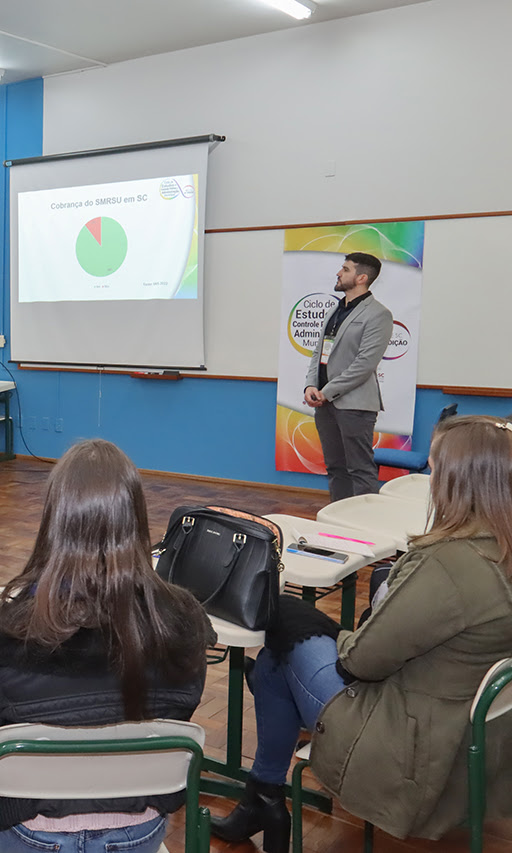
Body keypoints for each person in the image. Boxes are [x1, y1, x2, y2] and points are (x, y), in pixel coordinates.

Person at [212, 415, 512, 852]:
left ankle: (264, 796)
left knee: (283, 627)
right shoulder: (497, 553)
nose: (430, 482)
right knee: (287, 646)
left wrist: (348, 632)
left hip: (408, 742)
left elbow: (358, 663)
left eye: (435, 471)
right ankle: (264, 792)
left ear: (458, 482)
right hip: (467, 731)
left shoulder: (449, 566)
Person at [0, 439, 213, 853]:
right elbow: (180, 706)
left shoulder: (7, 629)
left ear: (54, 520)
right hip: (139, 834)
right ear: (135, 518)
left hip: (29, 836)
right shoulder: (184, 621)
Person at [302, 252, 393, 502]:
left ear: (361, 277)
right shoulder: (336, 309)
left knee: (360, 470)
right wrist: (311, 384)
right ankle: (338, 520)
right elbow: (319, 352)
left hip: (355, 405)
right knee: (335, 468)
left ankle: (364, 526)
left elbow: (364, 365)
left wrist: (327, 391)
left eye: (345, 269)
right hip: (325, 403)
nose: (338, 273)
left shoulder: (378, 314)